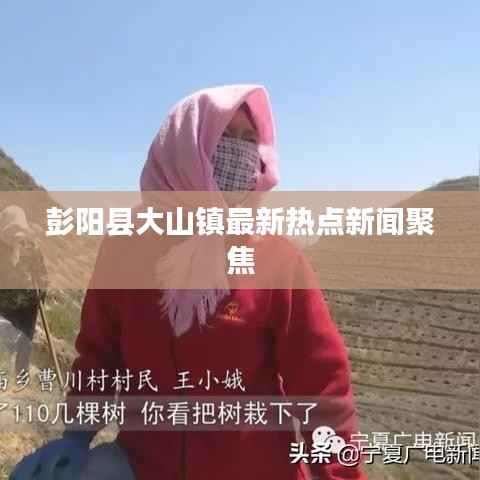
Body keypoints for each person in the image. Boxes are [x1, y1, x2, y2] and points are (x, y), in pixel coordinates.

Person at [10, 85, 368, 480]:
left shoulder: (275, 258)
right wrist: (77, 435)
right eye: (224, 136)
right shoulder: (127, 246)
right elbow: (100, 353)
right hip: (147, 467)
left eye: (249, 139)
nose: (239, 152)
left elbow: (322, 385)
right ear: (185, 144)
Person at [0, 205, 47, 377]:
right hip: (4, 304)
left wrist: (41, 294)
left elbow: (41, 273)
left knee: (25, 343)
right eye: (11, 226)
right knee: (5, 341)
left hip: (28, 303)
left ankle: (21, 378)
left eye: (18, 226)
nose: (15, 231)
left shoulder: (31, 246)